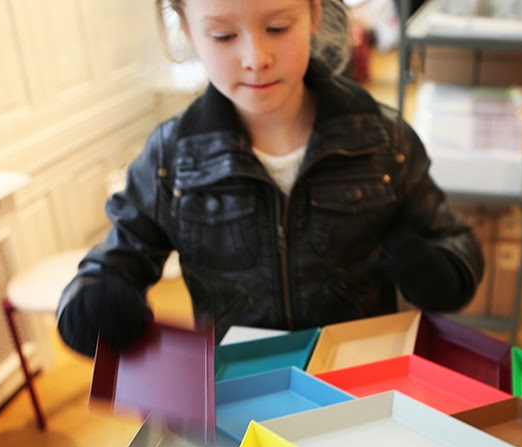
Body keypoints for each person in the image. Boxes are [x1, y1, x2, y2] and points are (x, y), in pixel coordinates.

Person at [56, 0, 484, 358]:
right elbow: (109, 264)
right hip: (243, 396)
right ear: (187, 29)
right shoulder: (172, 159)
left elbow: (454, 244)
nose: (256, 58)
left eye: (277, 28)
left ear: (314, 13)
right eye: (224, 36)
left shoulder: (384, 141)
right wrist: (95, 305)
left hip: (360, 388)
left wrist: (434, 271)